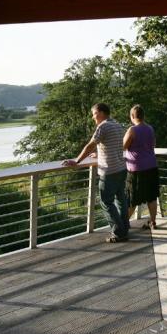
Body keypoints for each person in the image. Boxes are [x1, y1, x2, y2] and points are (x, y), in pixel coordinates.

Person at [63, 103, 129, 243]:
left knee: (106, 202)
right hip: (121, 168)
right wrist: (99, 155)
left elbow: (90, 145)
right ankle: (125, 228)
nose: (93, 117)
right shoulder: (117, 125)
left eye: (93, 113)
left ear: (100, 112)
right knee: (121, 200)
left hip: (109, 171)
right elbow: (113, 147)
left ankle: (119, 233)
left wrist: (77, 161)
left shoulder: (103, 126)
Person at [123, 104, 160, 230]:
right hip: (151, 166)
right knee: (151, 196)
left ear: (132, 116)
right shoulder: (150, 128)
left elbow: (122, 147)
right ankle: (153, 222)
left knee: (131, 198)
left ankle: (123, 224)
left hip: (136, 169)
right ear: (143, 116)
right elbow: (153, 144)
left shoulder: (132, 130)